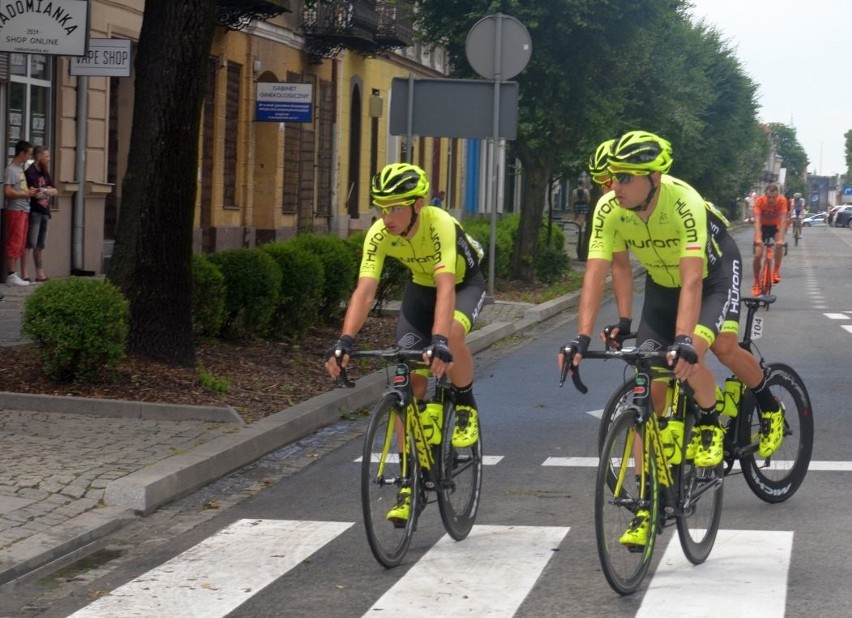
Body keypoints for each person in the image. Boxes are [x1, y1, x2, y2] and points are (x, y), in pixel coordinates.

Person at [560, 131, 783, 547]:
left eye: (624, 178)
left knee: (713, 348)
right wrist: (581, 336)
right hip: (663, 288)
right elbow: (599, 272)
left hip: (711, 276)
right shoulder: (610, 207)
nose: (613, 186)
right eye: (611, 177)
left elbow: (693, 278)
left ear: (654, 178)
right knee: (652, 389)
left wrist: (684, 339)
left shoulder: (684, 202)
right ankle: (647, 507)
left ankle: (758, 409)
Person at [325, 163, 485, 525]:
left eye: (395, 207)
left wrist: (441, 340)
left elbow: (447, 285)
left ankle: (464, 406)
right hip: (420, 289)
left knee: (454, 337)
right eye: (382, 207)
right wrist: (345, 340)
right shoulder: (380, 234)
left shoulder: (439, 223)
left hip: (462, 284)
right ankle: (409, 485)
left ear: (418, 203)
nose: (387, 216)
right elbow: (365, 291)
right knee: (408, 379)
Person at [4, 140, 37, 287]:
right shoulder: (11, 170)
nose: (29, 157)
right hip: (15, 210)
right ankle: (11, 274)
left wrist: (29, 193)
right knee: (14, 241)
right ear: (22, 153)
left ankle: (15, 274)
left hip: (24, 210)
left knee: (20, 243)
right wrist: (25, 195)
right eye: (28, 154)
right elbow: (8, 191)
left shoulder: (19, 170)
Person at [23, 146, 58, 283]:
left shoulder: (45, 173)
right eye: (47, 156)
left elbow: (55, 191)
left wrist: (45, 190)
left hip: (45, 212)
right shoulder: (30, 173)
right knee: (30, 243)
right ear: (39, 157)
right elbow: (35, 194)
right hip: (34, 211)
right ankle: (25, 274)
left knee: (41, 244)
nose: (48, 159)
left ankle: (39, 273)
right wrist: (46, 190)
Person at [751, 183, 788, 293]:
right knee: (758, 254)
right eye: (769, 197)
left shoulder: (782, 201)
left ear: (777, 196)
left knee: (779, 245)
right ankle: (757, 282)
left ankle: (776, 271)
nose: (771, 200)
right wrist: (758, 239)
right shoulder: (760, 201)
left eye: (773, 197)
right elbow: (757, 221)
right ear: (765, 195)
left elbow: (783, 220)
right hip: (762, 227)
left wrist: (781, 239)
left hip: (775, 226)